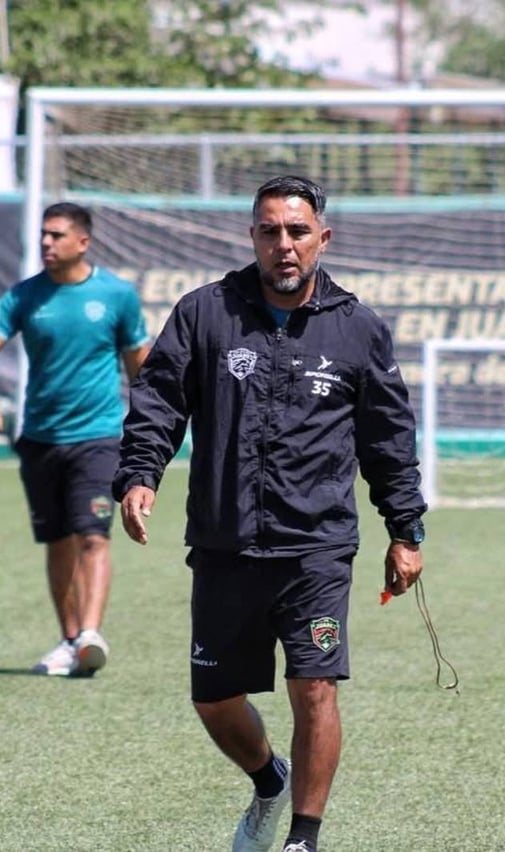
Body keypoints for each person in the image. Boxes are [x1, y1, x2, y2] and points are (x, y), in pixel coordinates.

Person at [113, 175, 427, 852]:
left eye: (297, 231)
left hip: (316, 548)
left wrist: (405, 530)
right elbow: (159, 400)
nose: (283, 244)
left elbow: (388, 439)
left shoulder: (358, 329)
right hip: (225, 542)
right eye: (269, 231)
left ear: (322, 238)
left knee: (315, 690)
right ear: (252, 236)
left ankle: (302, 839)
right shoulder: (205, 313)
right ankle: (267, 778)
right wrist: (140, 474)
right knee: (213, 699)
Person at [0, 201, 150, 677]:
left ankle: (90, 633)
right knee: (58, 542)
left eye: (57, 235)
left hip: (99, 438)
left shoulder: (116, 295)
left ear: (83, 242)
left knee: (93, 535)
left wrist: (150, 428)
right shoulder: (25, 296)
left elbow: (140, 369)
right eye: (44, 235)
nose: (46, 242)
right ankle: (70, 642)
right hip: (40, 440)